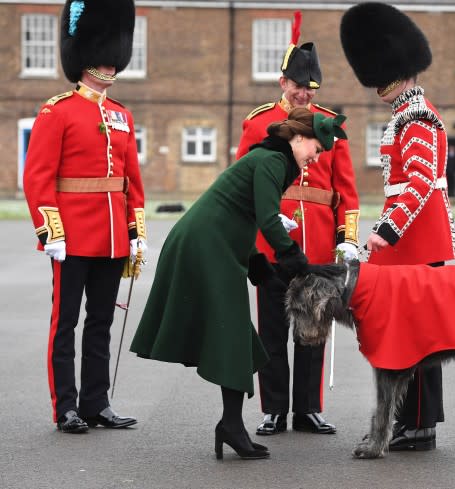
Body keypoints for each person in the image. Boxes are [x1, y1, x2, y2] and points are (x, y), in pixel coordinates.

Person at [130, 108, 348, 460]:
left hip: (216, 243)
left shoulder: (271, 160)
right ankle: (230, 426)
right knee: (231, 331)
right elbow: (265, 217)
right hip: (205, 245)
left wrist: (257, 262)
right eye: (316, 149)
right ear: (297, 138)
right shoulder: (273, 162)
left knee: (238, 336)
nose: (316, 157)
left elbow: (241, 213)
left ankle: (230, 424)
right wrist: (294, 258)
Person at [340, 2, 455, 452]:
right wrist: (386, 229)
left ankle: (422, 424)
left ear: (398, 72)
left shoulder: (419, 116)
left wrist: (386, 231)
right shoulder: (403, 114)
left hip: (416, 239)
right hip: (404, 240)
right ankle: (406, 419)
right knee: (403, 334)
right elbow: (400, 187)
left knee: (421, 334)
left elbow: (422, 183)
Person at [22, 0, 145, 434]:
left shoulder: (122, 116)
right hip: (71, 236)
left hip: (112, 237)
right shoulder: (58, 111)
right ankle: (66, 406)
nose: (110, 63)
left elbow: (131, 181)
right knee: (66, 323)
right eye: (103, 55)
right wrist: (49, 229)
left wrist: (135, 232)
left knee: (101, 323)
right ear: (84, 59)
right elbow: (38, 177)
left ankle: (97, 402)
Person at [236, 12, 360, 437]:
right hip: (272, 244)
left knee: (313, 330)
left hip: (319, 245)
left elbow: (347, 192)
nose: (304, 93)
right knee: (271, 328)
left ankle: (307, 408)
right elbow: (243, 186)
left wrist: (347, 239)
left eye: (310, 87)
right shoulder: (257, 122)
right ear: (282, 82)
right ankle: (274, 409)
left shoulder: (330, 126)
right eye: (297, 85)